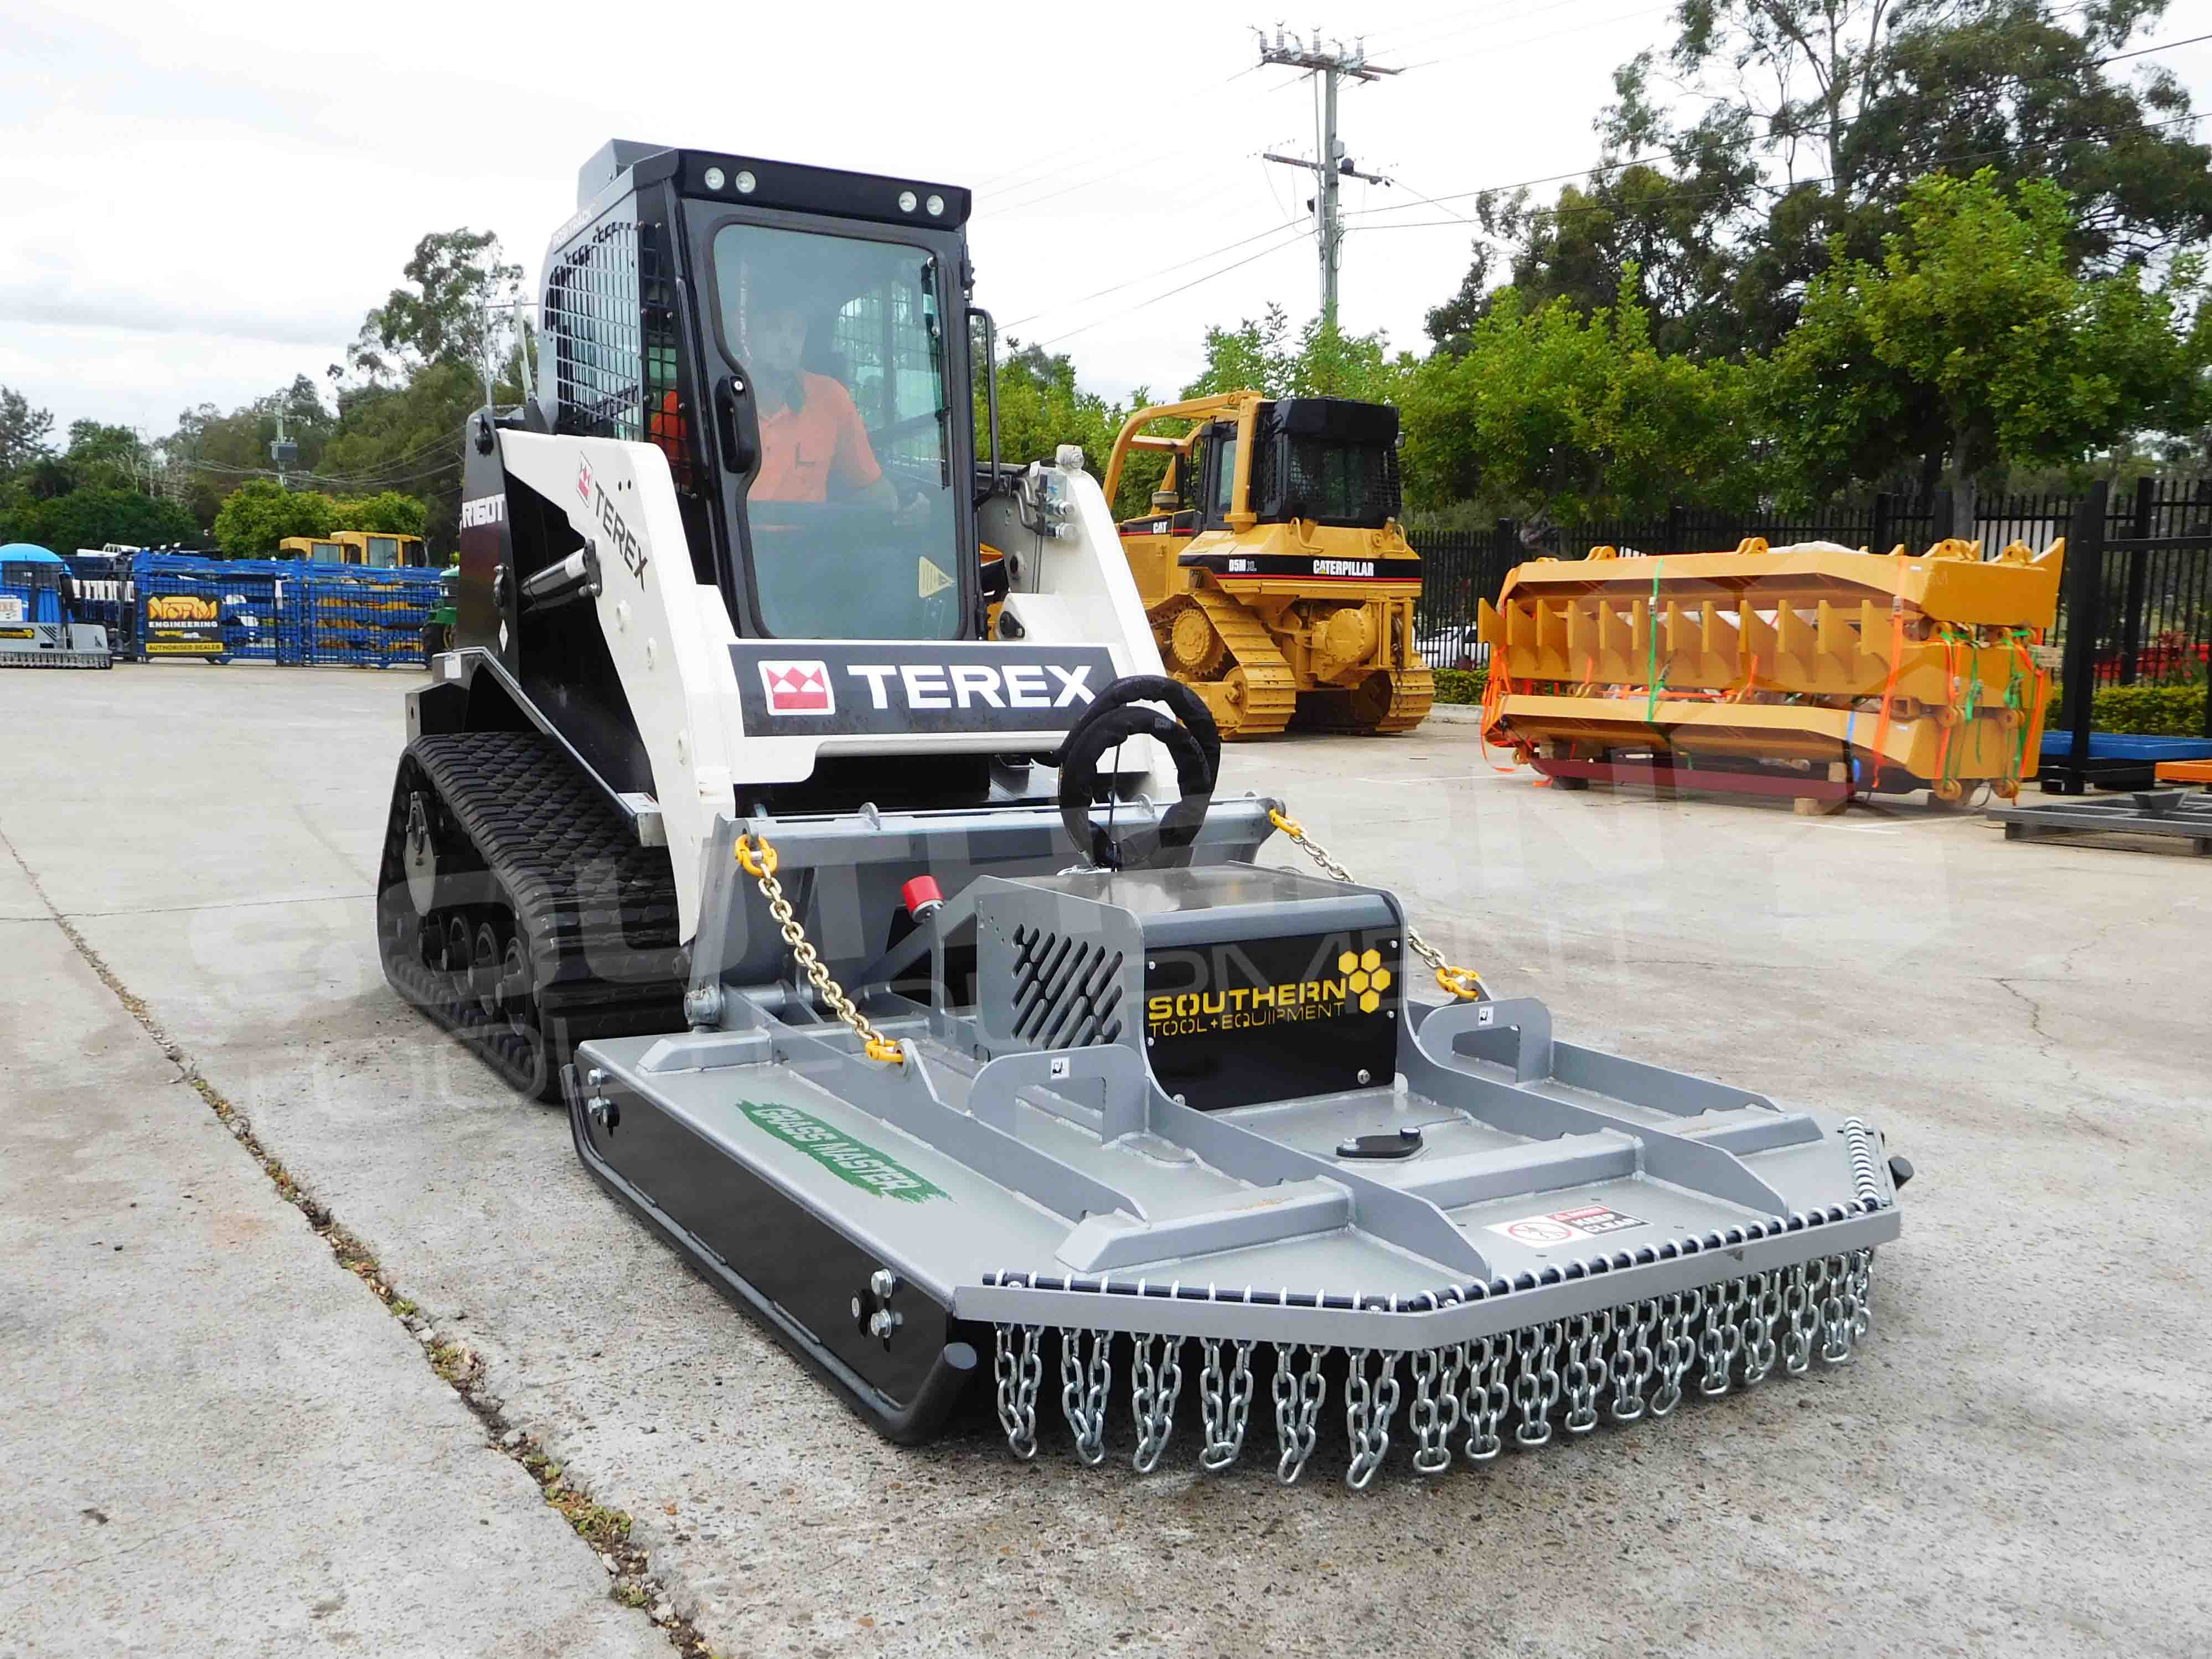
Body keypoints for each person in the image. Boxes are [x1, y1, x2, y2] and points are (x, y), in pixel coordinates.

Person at [740, 296, 902, 511]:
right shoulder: (721, 395)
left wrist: (904, 505)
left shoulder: (831, 399)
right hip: (733, 543)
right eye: (774, 328)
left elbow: (867, 485)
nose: (786, 343)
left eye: (796, 332)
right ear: (749, 336)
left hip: (807, 542)